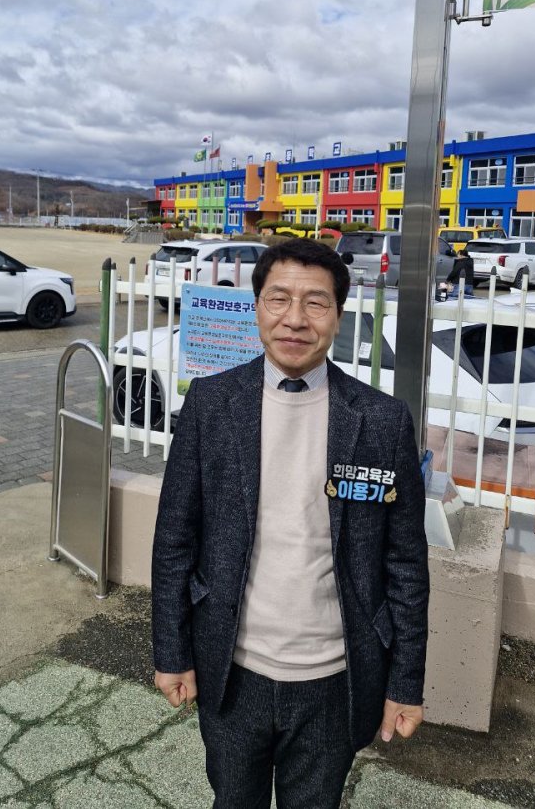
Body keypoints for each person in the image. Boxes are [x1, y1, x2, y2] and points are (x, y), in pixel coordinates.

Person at [151, 238, 429, 809]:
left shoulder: (380, 422)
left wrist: (405, 683)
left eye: (315, 303)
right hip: (232, 669)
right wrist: (171, 651)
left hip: (336, 677)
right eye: (279, 299)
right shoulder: (211, 405)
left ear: (338, 315)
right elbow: (175, 541)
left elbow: (405, 563)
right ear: (257, 307)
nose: (295, 320)